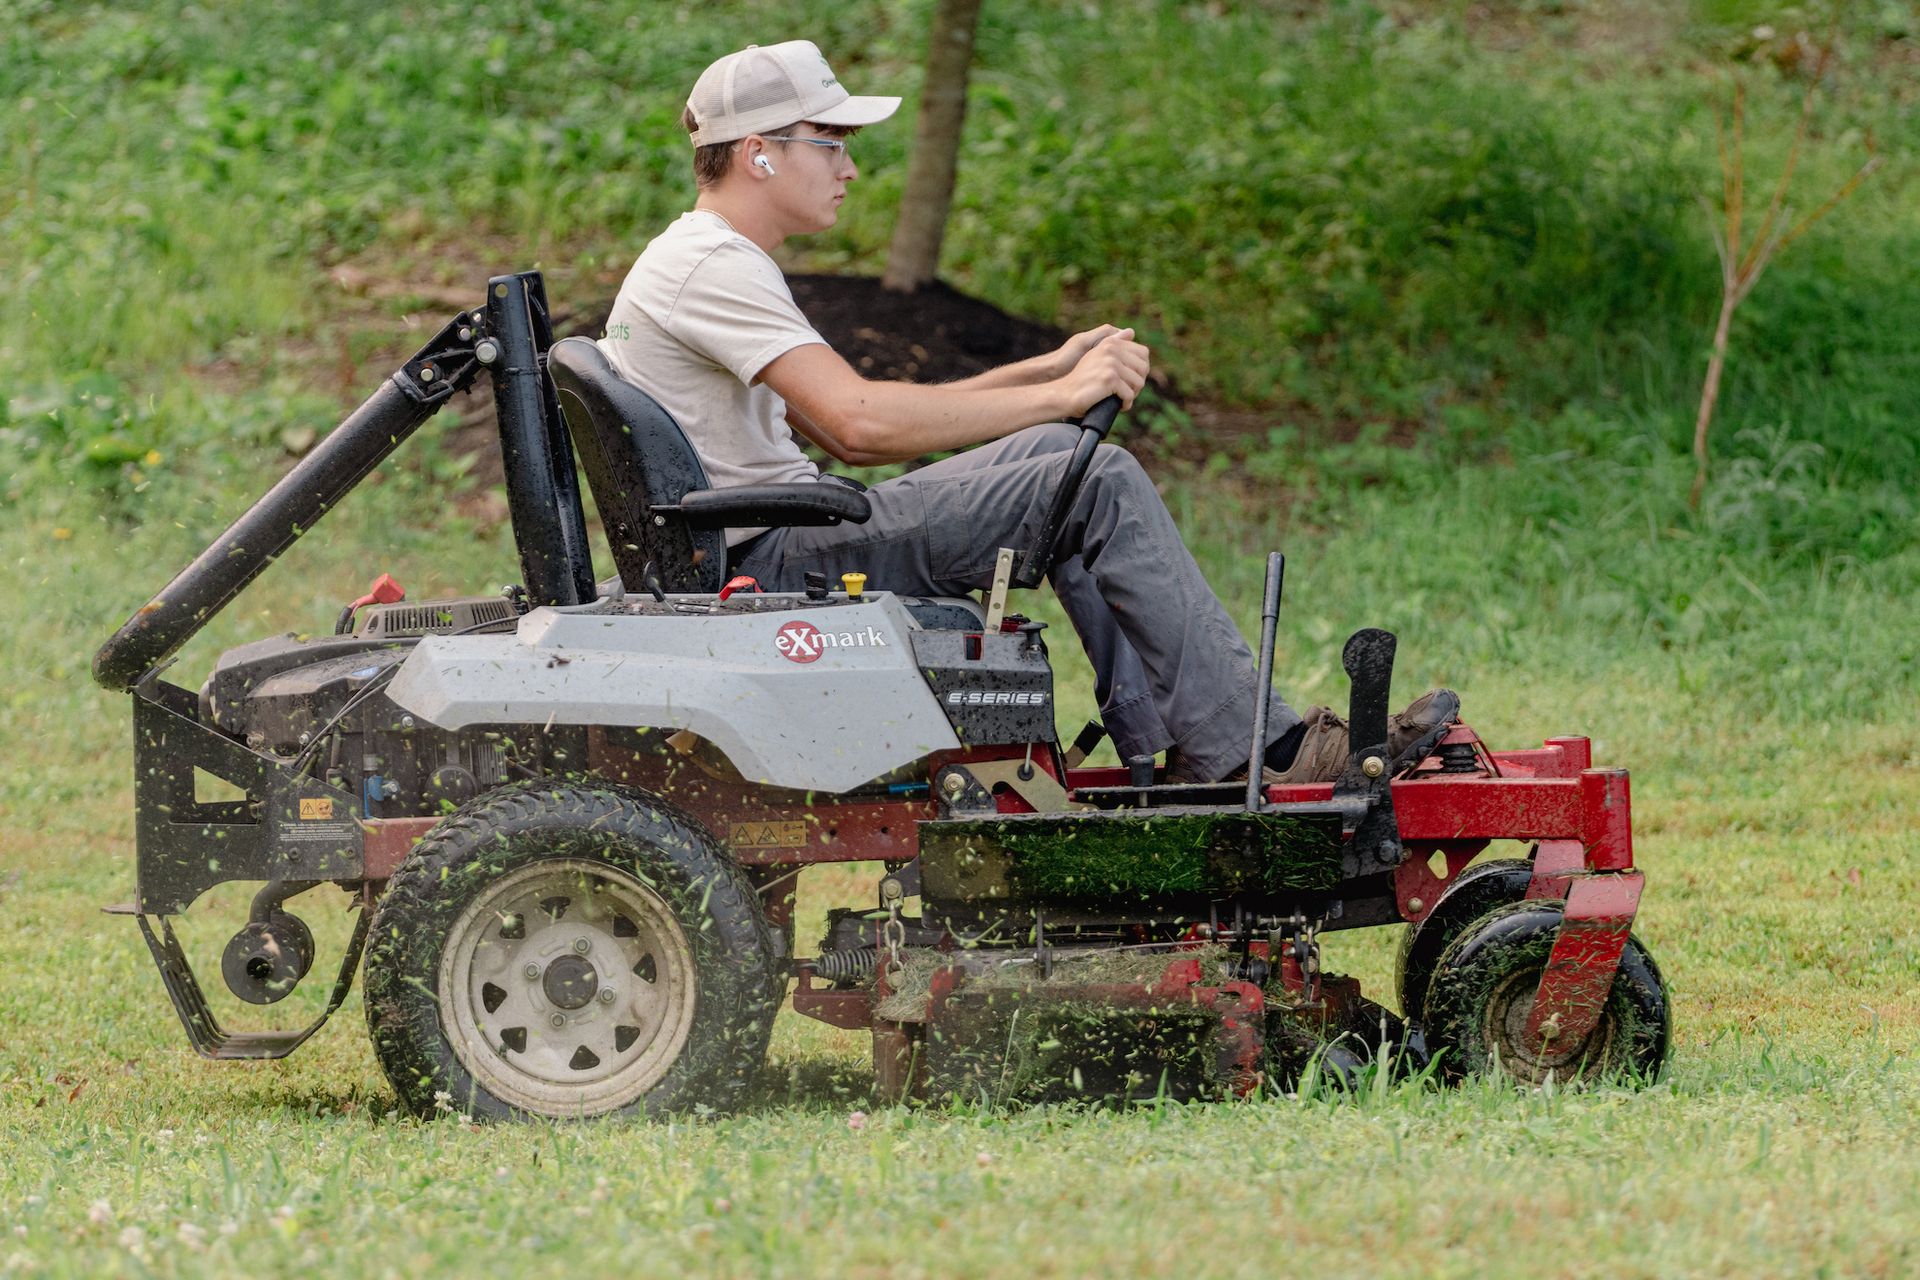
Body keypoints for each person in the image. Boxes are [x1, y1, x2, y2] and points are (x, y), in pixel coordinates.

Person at [597, 39, 1450, 784]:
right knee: (1094, 480)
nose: (849, 168)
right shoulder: (714, 268)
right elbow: (858, 425)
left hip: (770, 532)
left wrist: (1041, 373)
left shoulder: (705, 258)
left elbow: (835, 427)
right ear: (759, 153)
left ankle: (1173, 750)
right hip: (771, 558)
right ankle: (1252, 751)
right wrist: (1066, 391)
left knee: (1058, 455)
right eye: (831, 143)